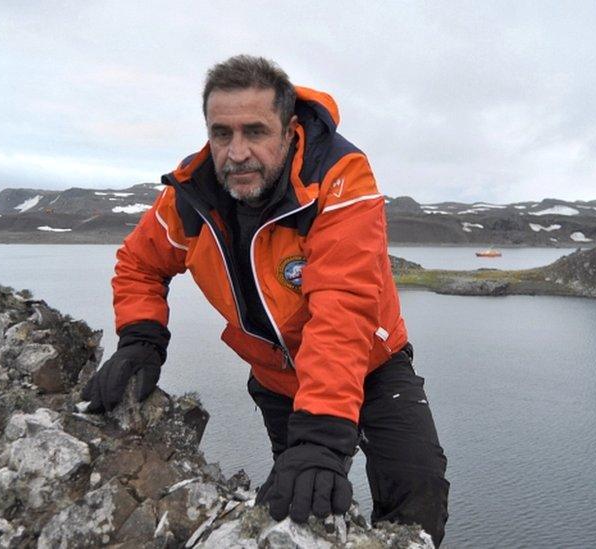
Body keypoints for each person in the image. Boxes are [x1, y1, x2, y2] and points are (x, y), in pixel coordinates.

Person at [81, 55, 449, 544]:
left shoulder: (339, 178)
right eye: (221, 133)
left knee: (417, 498)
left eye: (255, 131)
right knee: (301, 502)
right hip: (279, 380)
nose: (236, 153)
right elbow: (139, 264)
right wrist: (141, 337)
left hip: (371, 363)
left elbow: (342, 306)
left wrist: (321, 434)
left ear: (289, 129)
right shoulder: (191, 198)